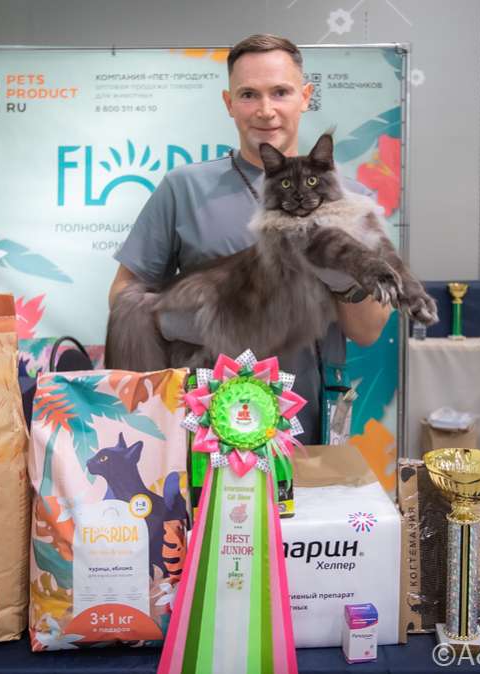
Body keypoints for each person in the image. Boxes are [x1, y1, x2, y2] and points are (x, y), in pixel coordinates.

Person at [109, 33, 391, 445]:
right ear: (229, 103)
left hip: (304, 425)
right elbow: (123, 293)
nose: (265, 110)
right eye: (248, 94)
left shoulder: (353, 202)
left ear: (305, 97)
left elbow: (368, 331)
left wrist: (344, 277)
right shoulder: (184, 188)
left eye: (280, 92)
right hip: (202, 430)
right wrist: (183, 323)